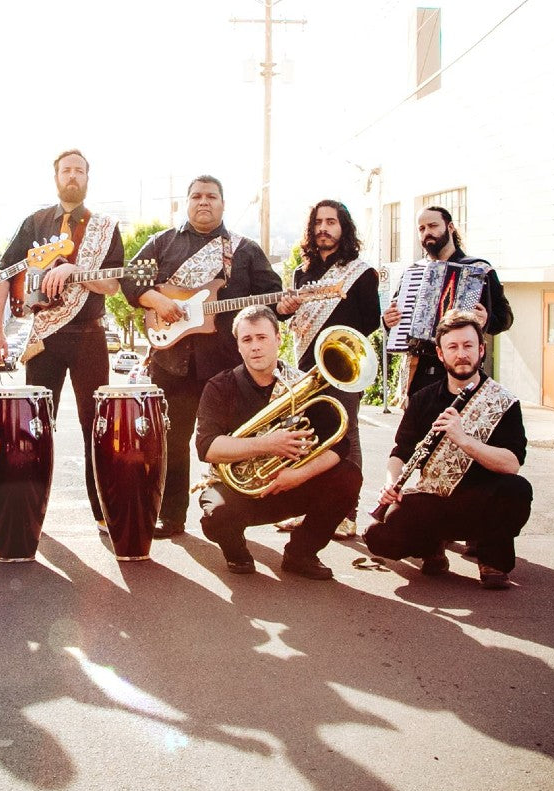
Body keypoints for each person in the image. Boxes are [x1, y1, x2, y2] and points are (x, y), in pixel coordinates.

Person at [122, 176, 282, 538]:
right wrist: (157, 300)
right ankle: (171, 517)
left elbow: (273, 298)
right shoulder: (162, 243)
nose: (203, 201)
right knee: (171, 442)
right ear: (187, 202)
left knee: (233, 441)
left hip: (225, 367)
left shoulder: (244, 250)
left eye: (211, 196)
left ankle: (233, 517)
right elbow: (130, 279)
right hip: (171, 363)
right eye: (196, 196)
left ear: (223, 204)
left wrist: (285, 306)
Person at [0, 149, 123, 532]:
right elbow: (5, 273)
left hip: (89, 336)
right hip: (44, 337)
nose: (72, 176)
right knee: (35, 426)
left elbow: (113, 285)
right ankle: (32, 509)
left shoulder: (104, 226)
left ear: (87, 178)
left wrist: (77, 270)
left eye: (79, 170)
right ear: (56, 177)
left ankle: (101, 510)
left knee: (94, 424)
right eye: (67, 170)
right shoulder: (35, 222)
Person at [365, 310, 532, 590]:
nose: (461, 354)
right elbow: (400, 452)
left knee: (517, 490)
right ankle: (431, 546)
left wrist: (463, 439)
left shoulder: (504, 402)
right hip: (436, 499)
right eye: (452, 347)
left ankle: (492, 558)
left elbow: (511, 464)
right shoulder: (423, 399)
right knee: (379, 537)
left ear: (481, 350)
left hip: (483, 502)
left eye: (468, 346)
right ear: (441, 354)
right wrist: (391, 484)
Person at [195, 306, 361, 579]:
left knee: (349, 476)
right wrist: (268, 444)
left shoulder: (304, 384)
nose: (255, 346)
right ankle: (236, 551)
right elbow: (207, 447)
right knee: (216, 515)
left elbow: (340, 445)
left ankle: (301, 554)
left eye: (262, 337)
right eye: (247, 340)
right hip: (238, 490)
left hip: (290, 484)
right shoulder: (220, 387)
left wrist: (298, 475)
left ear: (278, 338)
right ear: (238, 346)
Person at [276, 200, 380, 538]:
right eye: (318, 222)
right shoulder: (301, 272)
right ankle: (306, 509)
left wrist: (340, 341)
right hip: (307, 367)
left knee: (346, 437)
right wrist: (285, 310)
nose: (324, 228)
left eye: (331, 221)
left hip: (343, 368)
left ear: (343, 227)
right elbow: (287, 317)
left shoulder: (361, 272)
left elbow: (371, 321)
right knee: (309, 435)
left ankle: (347, 514)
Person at [382, 205, 513, 398]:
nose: (427, 232)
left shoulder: (478, 269)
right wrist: (388, 321)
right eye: (421, 228)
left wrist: (487, 319)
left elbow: (505, 318)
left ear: (450, 227)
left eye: (433, 226)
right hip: (420, 373)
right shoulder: (413, 273)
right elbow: (396, 323)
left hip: (462, 372)